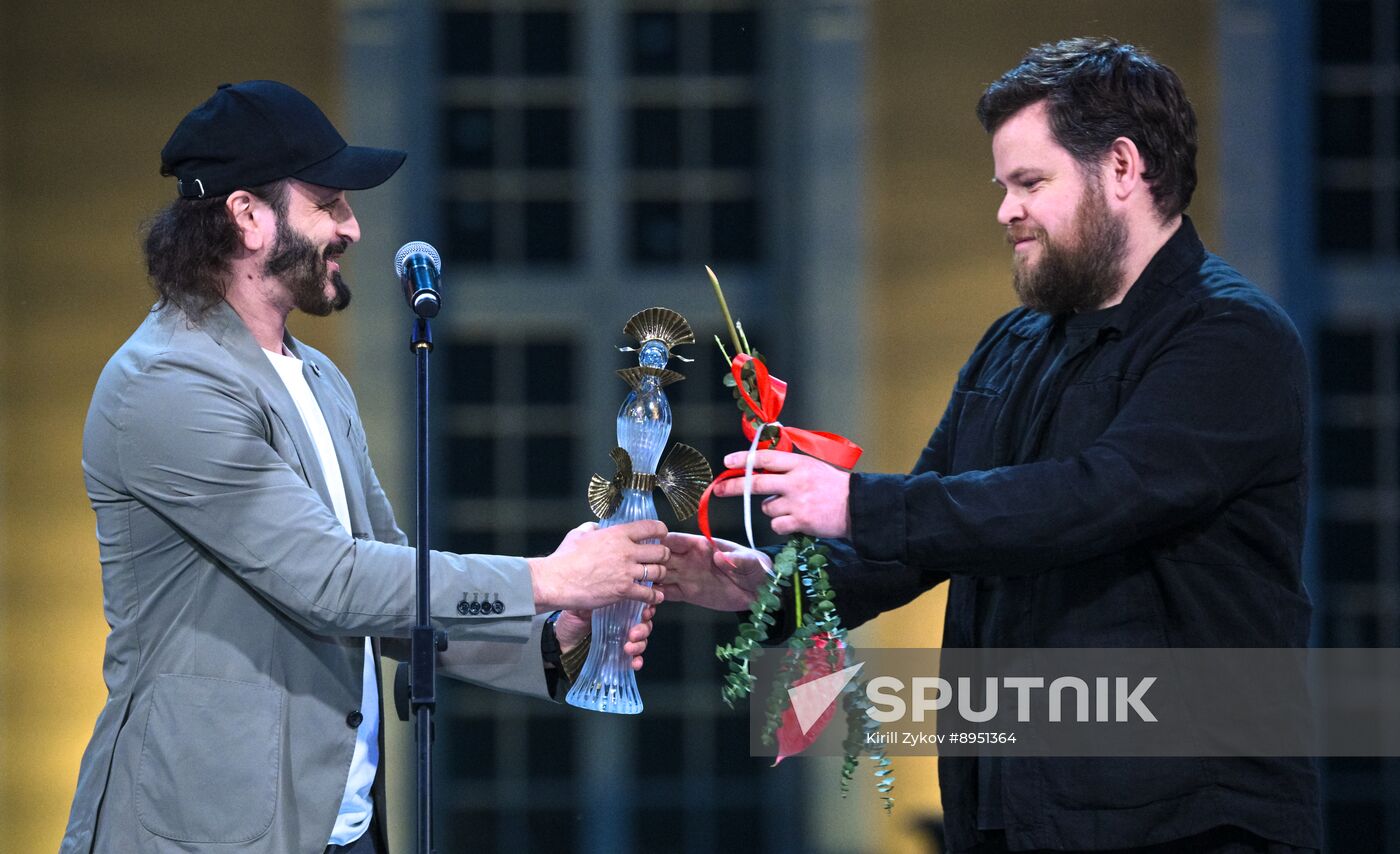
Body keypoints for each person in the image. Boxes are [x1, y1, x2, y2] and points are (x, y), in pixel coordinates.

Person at [662, 38, 1319, 853]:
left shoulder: (1231, 336)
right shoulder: (1013, 343)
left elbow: (1096, 496)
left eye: (1030, 183)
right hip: (1013, 819)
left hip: (1186, 823)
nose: (1005, 209)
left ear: (1122, 168)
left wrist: (856, 503)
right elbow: (932, 529)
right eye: (1003, 186)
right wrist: (763, 584)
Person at [61, 80, 669, 854]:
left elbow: (391, 590)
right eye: (327, 202)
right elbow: (332, 581)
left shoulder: (316, 378)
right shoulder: (169, 385)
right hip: (205, 831)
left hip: (339, 828)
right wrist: (550, 578)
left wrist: (555, 633)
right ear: (248, 216)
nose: (351, 225)